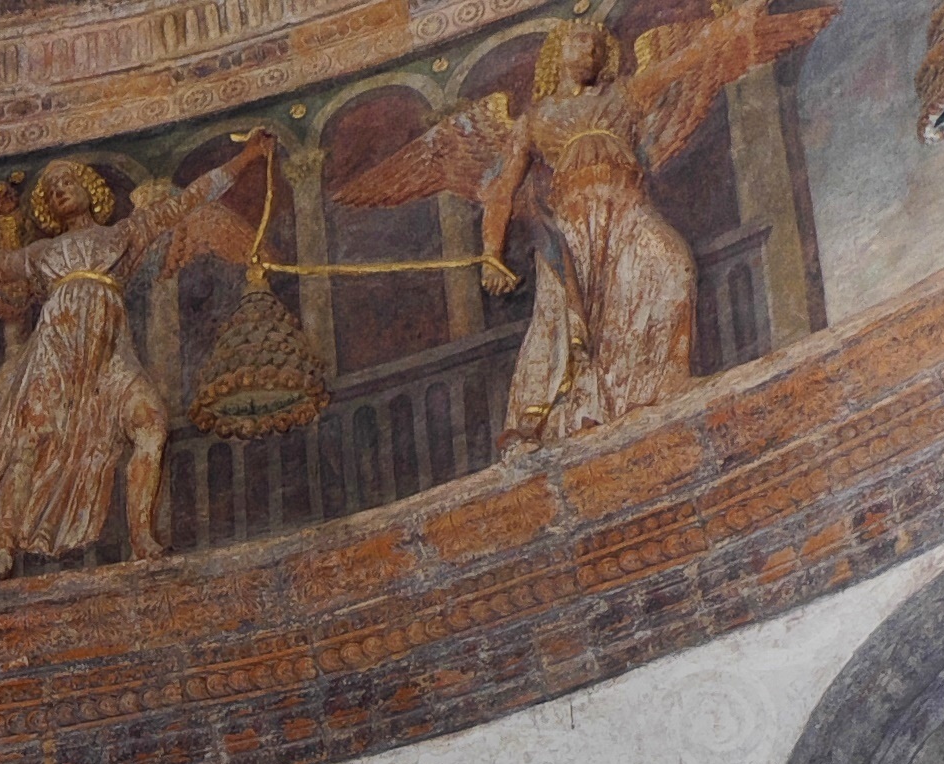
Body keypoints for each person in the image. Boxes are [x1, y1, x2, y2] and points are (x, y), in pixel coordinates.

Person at [337, 6, 833, 449]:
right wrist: (491, 253)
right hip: (572, 220)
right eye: (578, 41)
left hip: (627, 204)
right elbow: (500, 190)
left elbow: (690, 57)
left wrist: (740, 19)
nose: (589, 48)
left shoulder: (625, 95)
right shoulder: (534, 121)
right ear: (556, 54)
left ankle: (665, 381)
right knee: (563, 316)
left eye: (597, 44)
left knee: (671, 265)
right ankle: (547, 420)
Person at [0, 149, 274, 578]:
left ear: (89, 190)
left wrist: (247, 156)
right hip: (55, 353)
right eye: (51, 191)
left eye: (66, 183)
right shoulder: (39, 253)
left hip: (110, 356)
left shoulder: (125, 233)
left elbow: (191, 198)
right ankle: (4, 553)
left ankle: (143, 538)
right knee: (29, 443)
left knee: (150, 423)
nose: (59, 193)